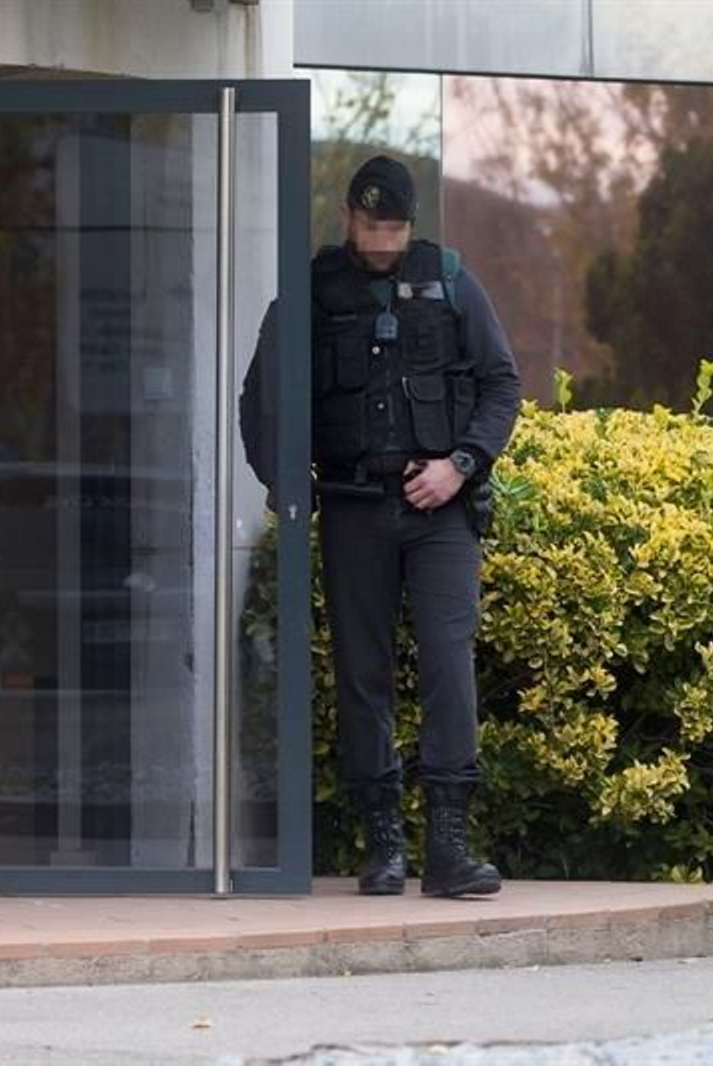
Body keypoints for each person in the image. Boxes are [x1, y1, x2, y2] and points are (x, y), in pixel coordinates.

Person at [240, 155, 521, 896]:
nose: (383, 241)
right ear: (349, 218)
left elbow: (501, 385)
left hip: (441, 513)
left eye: (394, 228)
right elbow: (260, 396)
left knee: (448, 666)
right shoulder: (313, 290)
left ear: (410, 224)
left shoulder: (451, 280)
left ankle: (449, 845)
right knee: (362, 674)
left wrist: (460, 465)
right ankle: (383, 844)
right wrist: (285, 486)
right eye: (372, 226)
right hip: (354, 508)